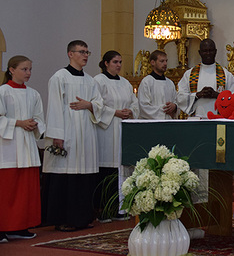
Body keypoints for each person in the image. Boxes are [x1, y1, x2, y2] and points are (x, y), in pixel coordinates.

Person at [41, 40, 103, 232]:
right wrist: (57, 135)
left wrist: (90, 105)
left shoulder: (90, 80)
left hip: (86, 133)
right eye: (81, 52)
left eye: (87, 52)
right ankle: (64, 218)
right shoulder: (59, 77)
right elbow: (54, 108)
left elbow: (99, 104)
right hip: (67, 132)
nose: (85, 55)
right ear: (70, 53)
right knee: (66, 176)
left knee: (84, 176)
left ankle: (82, 217)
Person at [0, 56, 45, 242]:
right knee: (7, 190)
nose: (28, 73)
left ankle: (20, 226)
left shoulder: (33, 94)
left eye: (30, 69)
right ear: (11, 69)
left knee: (26, 191)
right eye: (24, 69)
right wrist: (19, 123)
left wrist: (35, 125)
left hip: (28, 146)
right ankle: (3, 228)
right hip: (8, 147)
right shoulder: (2, 91)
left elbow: (40, 118)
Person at [94, 51, 139, 222]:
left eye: (120, 62)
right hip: (106, 129)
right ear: (106, 63)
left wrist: (131, 111)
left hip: (123, 129)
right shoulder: (98, 81)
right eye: (115, 62)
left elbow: (135, 103)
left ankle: (121, 209)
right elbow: (96, 106)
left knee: (122, 169)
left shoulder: (125, 83)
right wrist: (115, 112)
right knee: (106, 170)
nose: (118, 65)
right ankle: (104, 209)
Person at [177, 39, 234, 118]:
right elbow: (180, 97)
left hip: (219, 119)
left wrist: (217, 95)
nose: (208, 53)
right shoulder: (190, 74)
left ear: (215, 51)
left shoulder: (226, 74)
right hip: (196, 119)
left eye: (211, 50)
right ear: (200, 52)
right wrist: (197, 95)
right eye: (205, 51)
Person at [138, 50, 178, 120]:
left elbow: (176, 101)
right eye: (162, 61)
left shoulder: (170, 83)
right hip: (152, 124)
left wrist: (174, 107)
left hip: (168, 123)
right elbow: (144, 107)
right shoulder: (147, 82)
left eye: (166, 61)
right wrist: (165, 110)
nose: (165, 64)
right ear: (153, 62)